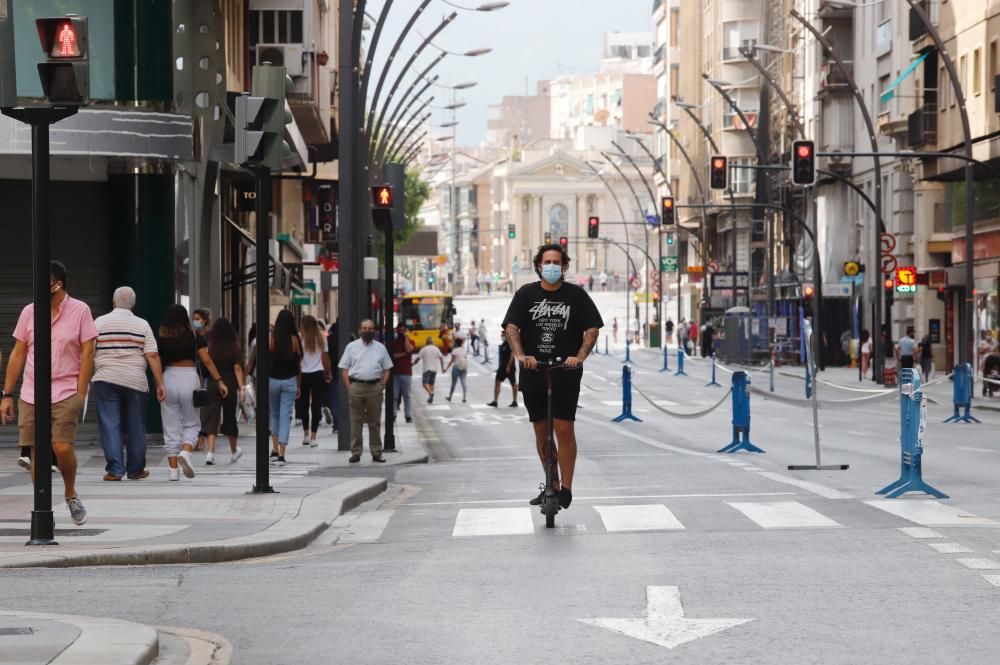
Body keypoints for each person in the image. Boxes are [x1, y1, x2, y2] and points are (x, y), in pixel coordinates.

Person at [503, 243, 603, 510]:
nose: (551, 267)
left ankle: (566, 488)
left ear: (564, 266)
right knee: (541, 432)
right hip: (534, 372)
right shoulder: (525, 294)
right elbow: (512, 328)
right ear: (538, 265)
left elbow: (592, 329)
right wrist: (522, 356)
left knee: (563, 429)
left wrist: (579, 357)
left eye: (556, 263)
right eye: (546, 262)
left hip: (565, 372)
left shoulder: (576, 295)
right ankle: (552, 483)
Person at [1, 261, 95, 524]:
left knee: (62, 446)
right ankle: (43, 505)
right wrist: (7, 393)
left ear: (58, 285)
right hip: (32, 393)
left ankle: (70, 493)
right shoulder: (30, 312)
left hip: (66, 391)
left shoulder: (80, 311)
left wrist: (81, 392)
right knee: (36, 452)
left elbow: (88, 352)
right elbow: (19, 353)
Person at [92, 286, 165, 481]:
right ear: (133, 304)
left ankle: (115, 469)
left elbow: (89, 351)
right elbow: (152, 354)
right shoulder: (142, 325)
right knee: (136, 426)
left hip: (105, 378)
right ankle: (135, 469)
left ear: (114, 302)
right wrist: (160, 383)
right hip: (135, 380)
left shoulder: (99, 322)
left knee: (110, 424)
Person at [157, 304, 228, 480]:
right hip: (189, 378)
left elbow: (156, 362)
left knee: (170, 425)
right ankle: (186, 451)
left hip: (168, 378)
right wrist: (219, 380)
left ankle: (173, 471)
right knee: (192, 423)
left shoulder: (162, 338)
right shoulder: (195, 337)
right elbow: (207, 360)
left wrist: (159, 383)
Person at [338, 319, 393, 464]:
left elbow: (387, 369)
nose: (367, 330)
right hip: (356, 386)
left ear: (374, 330)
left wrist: (382, 385)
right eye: (364, 328)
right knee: (356, 421)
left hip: (375, 387)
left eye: (370, 328)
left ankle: (376, 452)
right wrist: (349, 387)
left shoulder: (380, 348)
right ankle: (356, 453)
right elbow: (344, 368)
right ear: (359, 330)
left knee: (374, 422)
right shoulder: (351, 347)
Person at [202, 317, 245, 465]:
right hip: (230, 385)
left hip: (213, 384)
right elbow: (237, 368)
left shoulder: (210, 347)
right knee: (230, 418)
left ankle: (210, 453)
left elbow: (205, 364)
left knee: (211, 418)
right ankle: (233, 452)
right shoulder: (234, 348)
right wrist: (242, 387)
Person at [268, 310, 301, 466]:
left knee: (274, 415)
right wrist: (299, 385)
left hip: (273, 380)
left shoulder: (272, 339)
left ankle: (274, 449)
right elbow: (298, 363)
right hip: (290, 380)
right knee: (285, 416)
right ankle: (282, 453)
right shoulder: (295, 340)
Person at [298, 315, 331, 448]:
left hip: (303, 375)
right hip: (318, 374)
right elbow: (325, 358)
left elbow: (297, 359)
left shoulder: (300, 338)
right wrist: (329, 373)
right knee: (316, 405)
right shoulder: (321, 338)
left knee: (303, 405)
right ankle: (313, 437)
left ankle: (305, 434)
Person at [192, 308, 213, 451]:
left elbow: (209, 359)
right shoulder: (191, 335)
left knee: (204, 407)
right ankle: (196, 437)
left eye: (197, 319)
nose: (195, 321)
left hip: (206, 375)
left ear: (204, 321)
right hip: (193, 373)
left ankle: (201, 437)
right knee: (194, 406)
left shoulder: (210, 337)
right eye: (193, 318)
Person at [487, 329, 518, 407]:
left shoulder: (510, 344)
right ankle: (495, 401)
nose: (502, 336)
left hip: (509, 367)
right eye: (502, 335)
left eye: (503, 335)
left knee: (513, 383)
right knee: (497, 382)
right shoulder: (504, 344)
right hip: (502, 367)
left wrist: (508, 366)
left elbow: (512, 355)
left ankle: (515, 401)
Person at [392, 322, 415, 423]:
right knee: (394, 395)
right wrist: (403, 354)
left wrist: (405, 337)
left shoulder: (410, 341)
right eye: (399, 329)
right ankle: (393, 414)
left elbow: (409, 349)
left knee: (407, 395)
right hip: (395, 372)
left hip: (406, 372)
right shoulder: (394, 341)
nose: (400, 331)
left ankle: (408, 415)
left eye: (402, 329)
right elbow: (393, 355)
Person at [413, 336, 444, 403]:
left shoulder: (424, 349)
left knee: (424, 383)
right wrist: (442, 368)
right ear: (432, 341)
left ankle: (430, 393)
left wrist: (413, 364)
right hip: (434, 369)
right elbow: (441, 358)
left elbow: (418, 359)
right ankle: (430, 397)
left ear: (426, 342)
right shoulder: (436, 349)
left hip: (427, 369)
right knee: (431, 384)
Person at [445, 337, 469, 402]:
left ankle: (450, 397)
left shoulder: (455, 350)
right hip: (463, 367)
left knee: (453, 383)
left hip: (456, 367)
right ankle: (464, 397)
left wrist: (446, 368)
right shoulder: (464, 350)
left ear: (456, 343)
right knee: (463, 382)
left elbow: (452, 360)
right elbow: (465, 358)